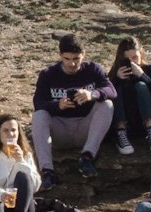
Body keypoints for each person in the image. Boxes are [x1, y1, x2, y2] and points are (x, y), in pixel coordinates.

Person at [31, 33, 115, 189]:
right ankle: (47, 171)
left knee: (106, 105)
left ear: (83, 55)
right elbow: (38, 102)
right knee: (39, 115)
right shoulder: (48, 74)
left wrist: (92, 94)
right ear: (60, 56)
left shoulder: (93, 69)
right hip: (60, 130)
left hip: (86, 128)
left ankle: (87, 157)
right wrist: (57, 105)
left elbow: (111, 90)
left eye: (76, 59)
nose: (72, 64)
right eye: (67, 59)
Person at [108, 36, 151, 156]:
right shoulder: (115, 73)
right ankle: (121, 133)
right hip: (124, 121)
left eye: (135, 57)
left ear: (141, 53)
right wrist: (116, 79)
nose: (132, 62)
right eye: (127, 59)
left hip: (143, 120)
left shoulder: (150, 69)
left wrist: (142, 75)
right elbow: (107, 95)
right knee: (118, 88)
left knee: (141, 85)